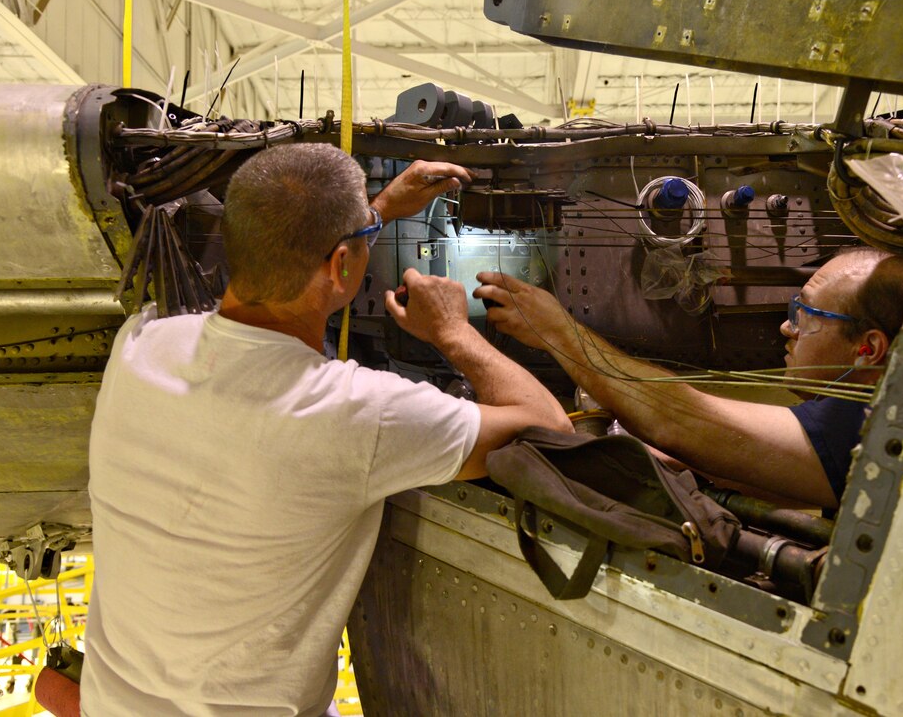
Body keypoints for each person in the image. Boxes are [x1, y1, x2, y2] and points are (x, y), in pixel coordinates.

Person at [82, 144, 571, 716]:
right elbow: (549, 428)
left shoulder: (141, 344)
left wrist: (376, 213)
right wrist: (454, 333)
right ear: (342, 264)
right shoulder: (358, 416)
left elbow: (270, 308)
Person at [474, 247, 903, 510]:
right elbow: (807, 478)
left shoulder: (885, 414)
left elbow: (677, 417)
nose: (786, 326)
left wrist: (558, 334)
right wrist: (705, 461)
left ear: (869, 348)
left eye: (806, 314)